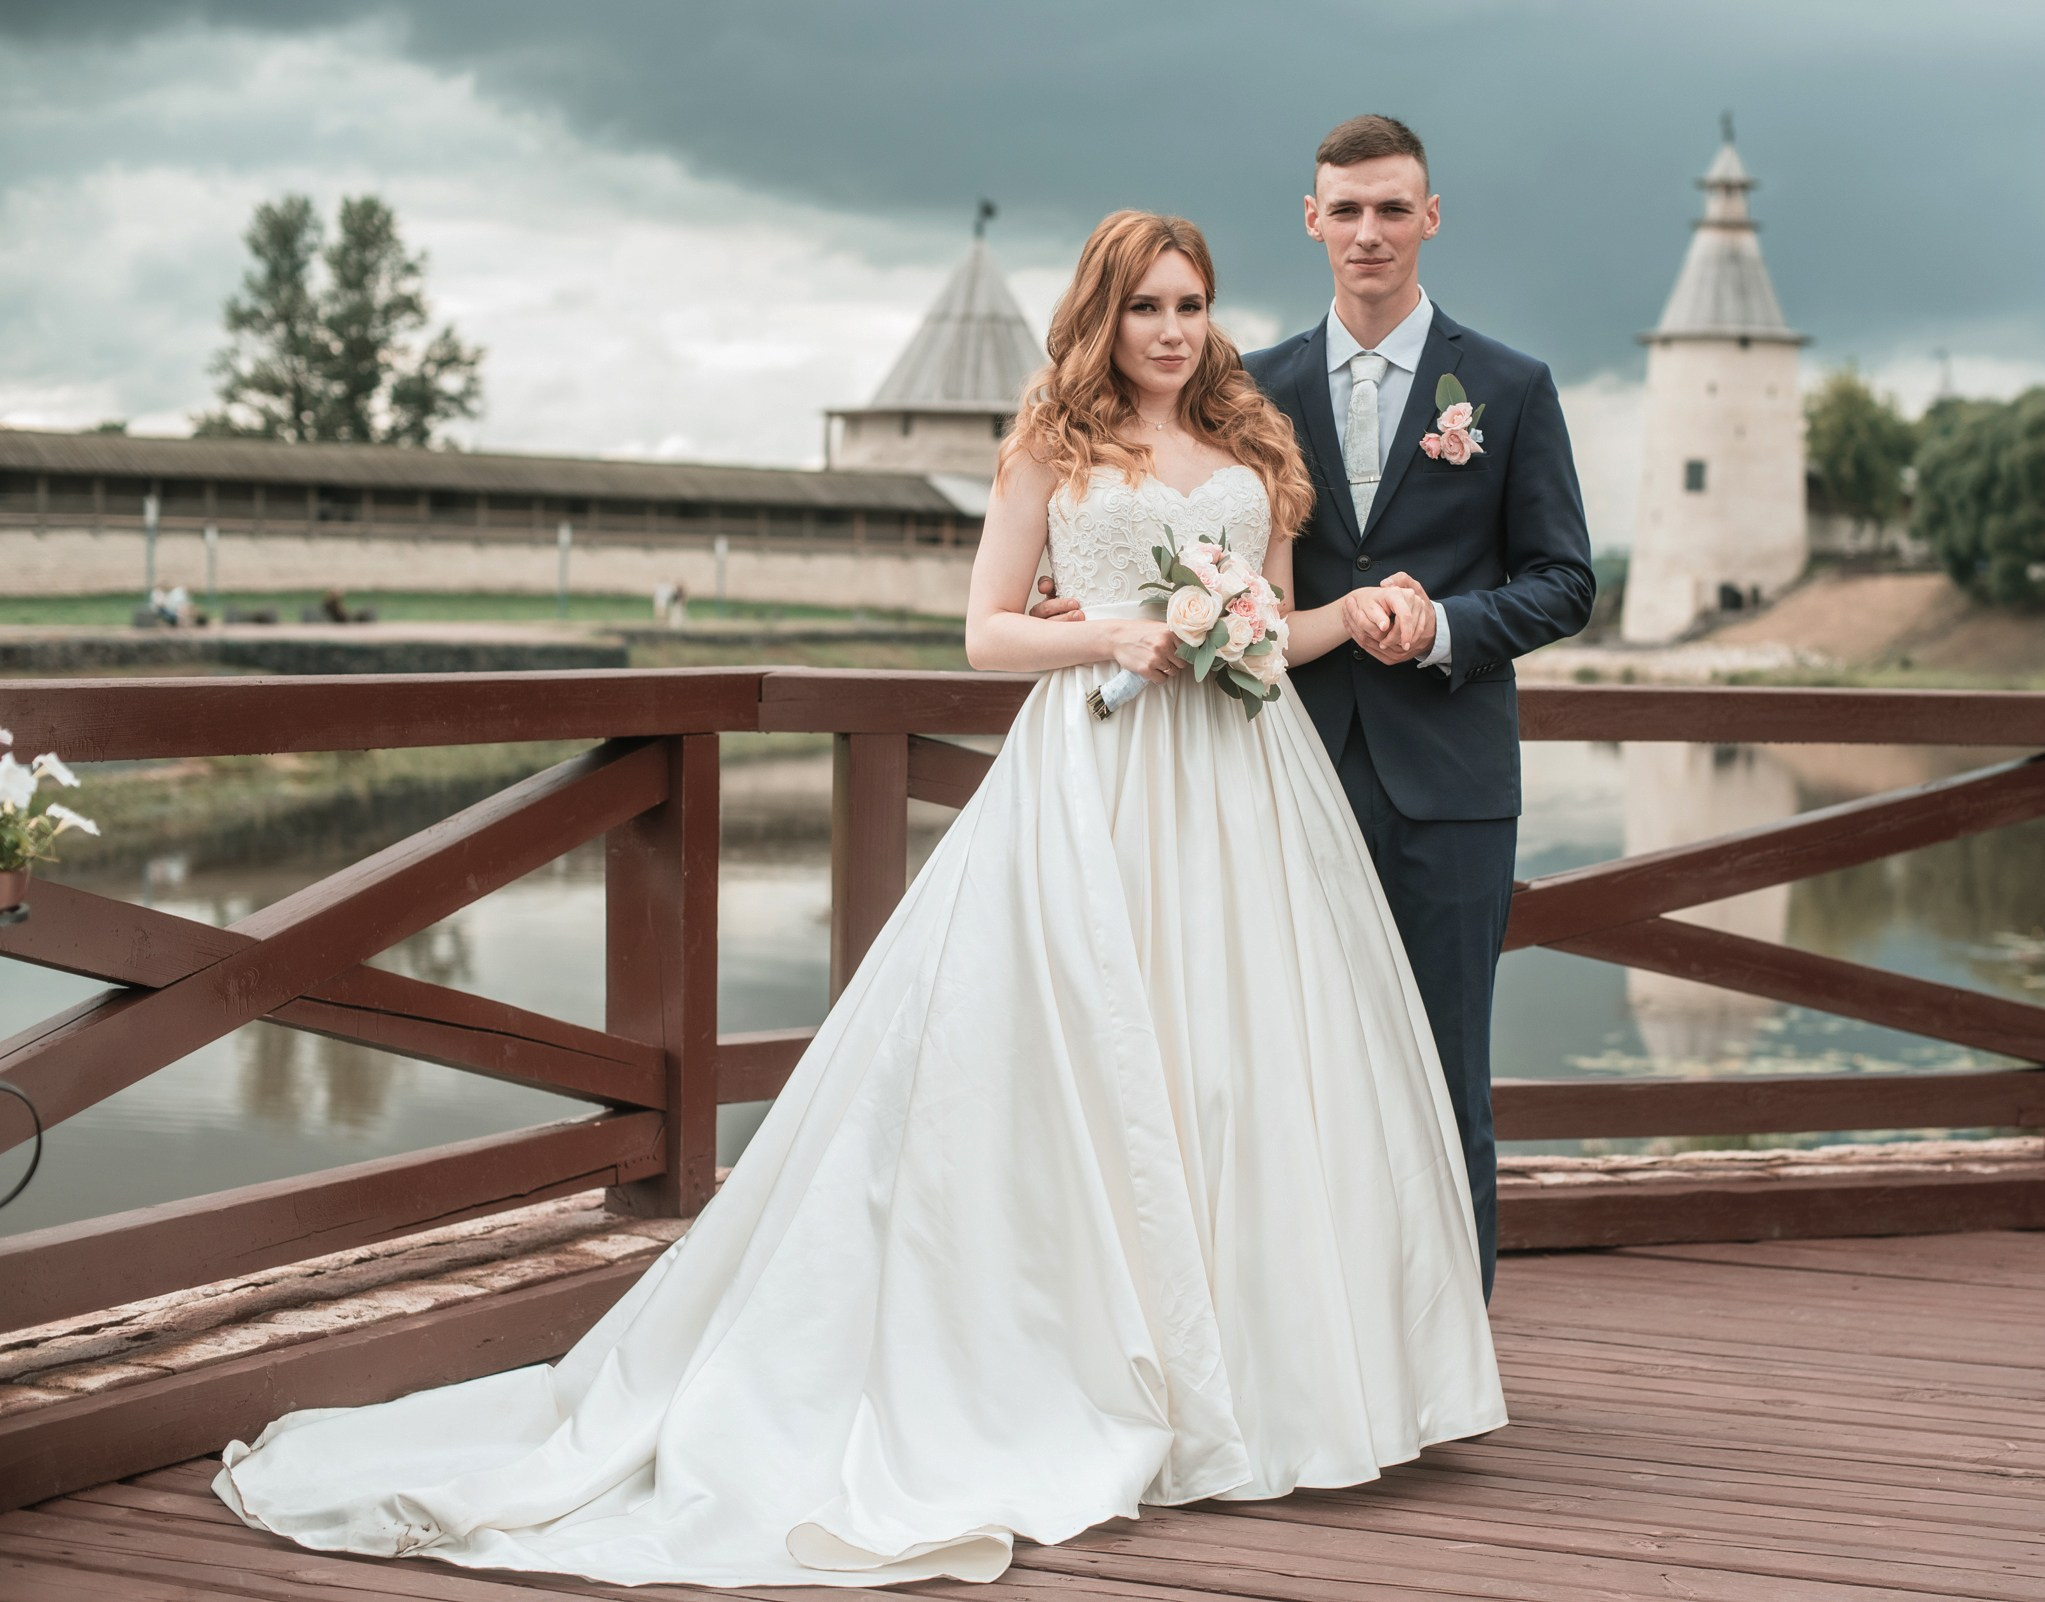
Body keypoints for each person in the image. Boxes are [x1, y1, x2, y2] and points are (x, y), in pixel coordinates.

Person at [208, 207, 1504, 1590]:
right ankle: (1071, 1360)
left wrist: (1354, 618)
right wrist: (1126, 630)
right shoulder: (1050, 447)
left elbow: (1276, 626)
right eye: (1145, 308)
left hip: (1245, 787)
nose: (1173, 331)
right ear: (1103, 316)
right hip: (1097, 775)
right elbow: (988, 629)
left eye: (1190, 304)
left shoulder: (1256, 449)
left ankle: (1256, 1384)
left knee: (1244, 1069)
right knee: (1072, 1063)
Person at [1040, 116, 1595, 1297]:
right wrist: (1080, 602)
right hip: (1272, 779)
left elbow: (1564, 582)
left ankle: (1450, 1349)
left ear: (1430, 218)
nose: (1369, 232)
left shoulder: (1508, 386)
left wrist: (1441, 624)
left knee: (1446, 1076)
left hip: (1447, 789)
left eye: (1393, 208)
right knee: (1286, 1076)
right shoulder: (1247, 386)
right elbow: (1169, 521)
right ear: (1312, 221)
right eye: (1345, 209)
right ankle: (1318, 1341)